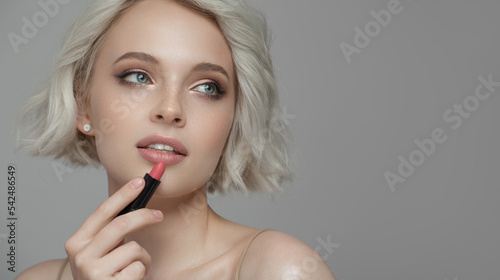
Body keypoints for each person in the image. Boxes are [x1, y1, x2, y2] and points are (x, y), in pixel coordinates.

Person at [15, 0, 336, 279]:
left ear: (234, 121)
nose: (170, 110)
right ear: (83, 106)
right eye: (138, 77)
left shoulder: (280, 270)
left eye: (207, 87)